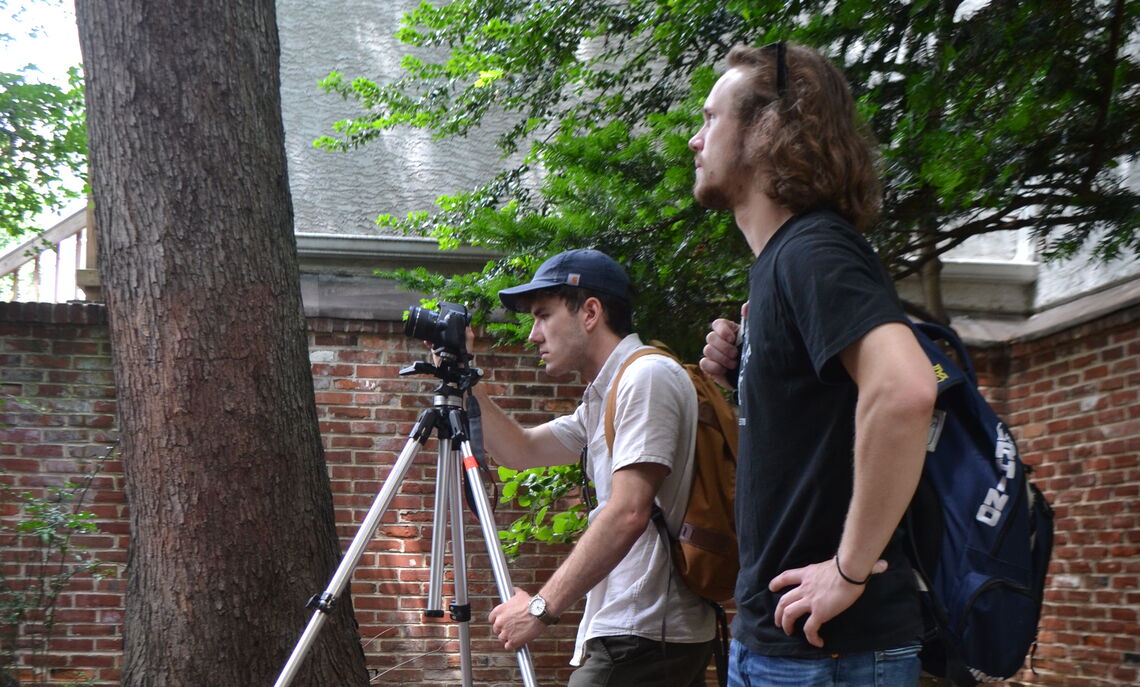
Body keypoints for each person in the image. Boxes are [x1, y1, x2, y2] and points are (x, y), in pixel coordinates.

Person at [691, 42, 939, 685]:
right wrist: (752, 371)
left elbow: (907, 389)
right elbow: (815, 439)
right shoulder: (781, 264)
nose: (695, 139)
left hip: (832, 656)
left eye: (712, 118)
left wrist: (849, 569)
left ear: (767, 128)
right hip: (784, 649)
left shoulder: (814, 249)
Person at [476, 248, 716, 686]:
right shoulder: (607, 395)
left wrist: (540, 609)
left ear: (590, 312)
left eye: (543, 315)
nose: (533, 335)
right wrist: (463, 382)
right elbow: (521, 450)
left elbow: (628, 512)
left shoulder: (646, 379)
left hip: (644, 630)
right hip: (642, 632)